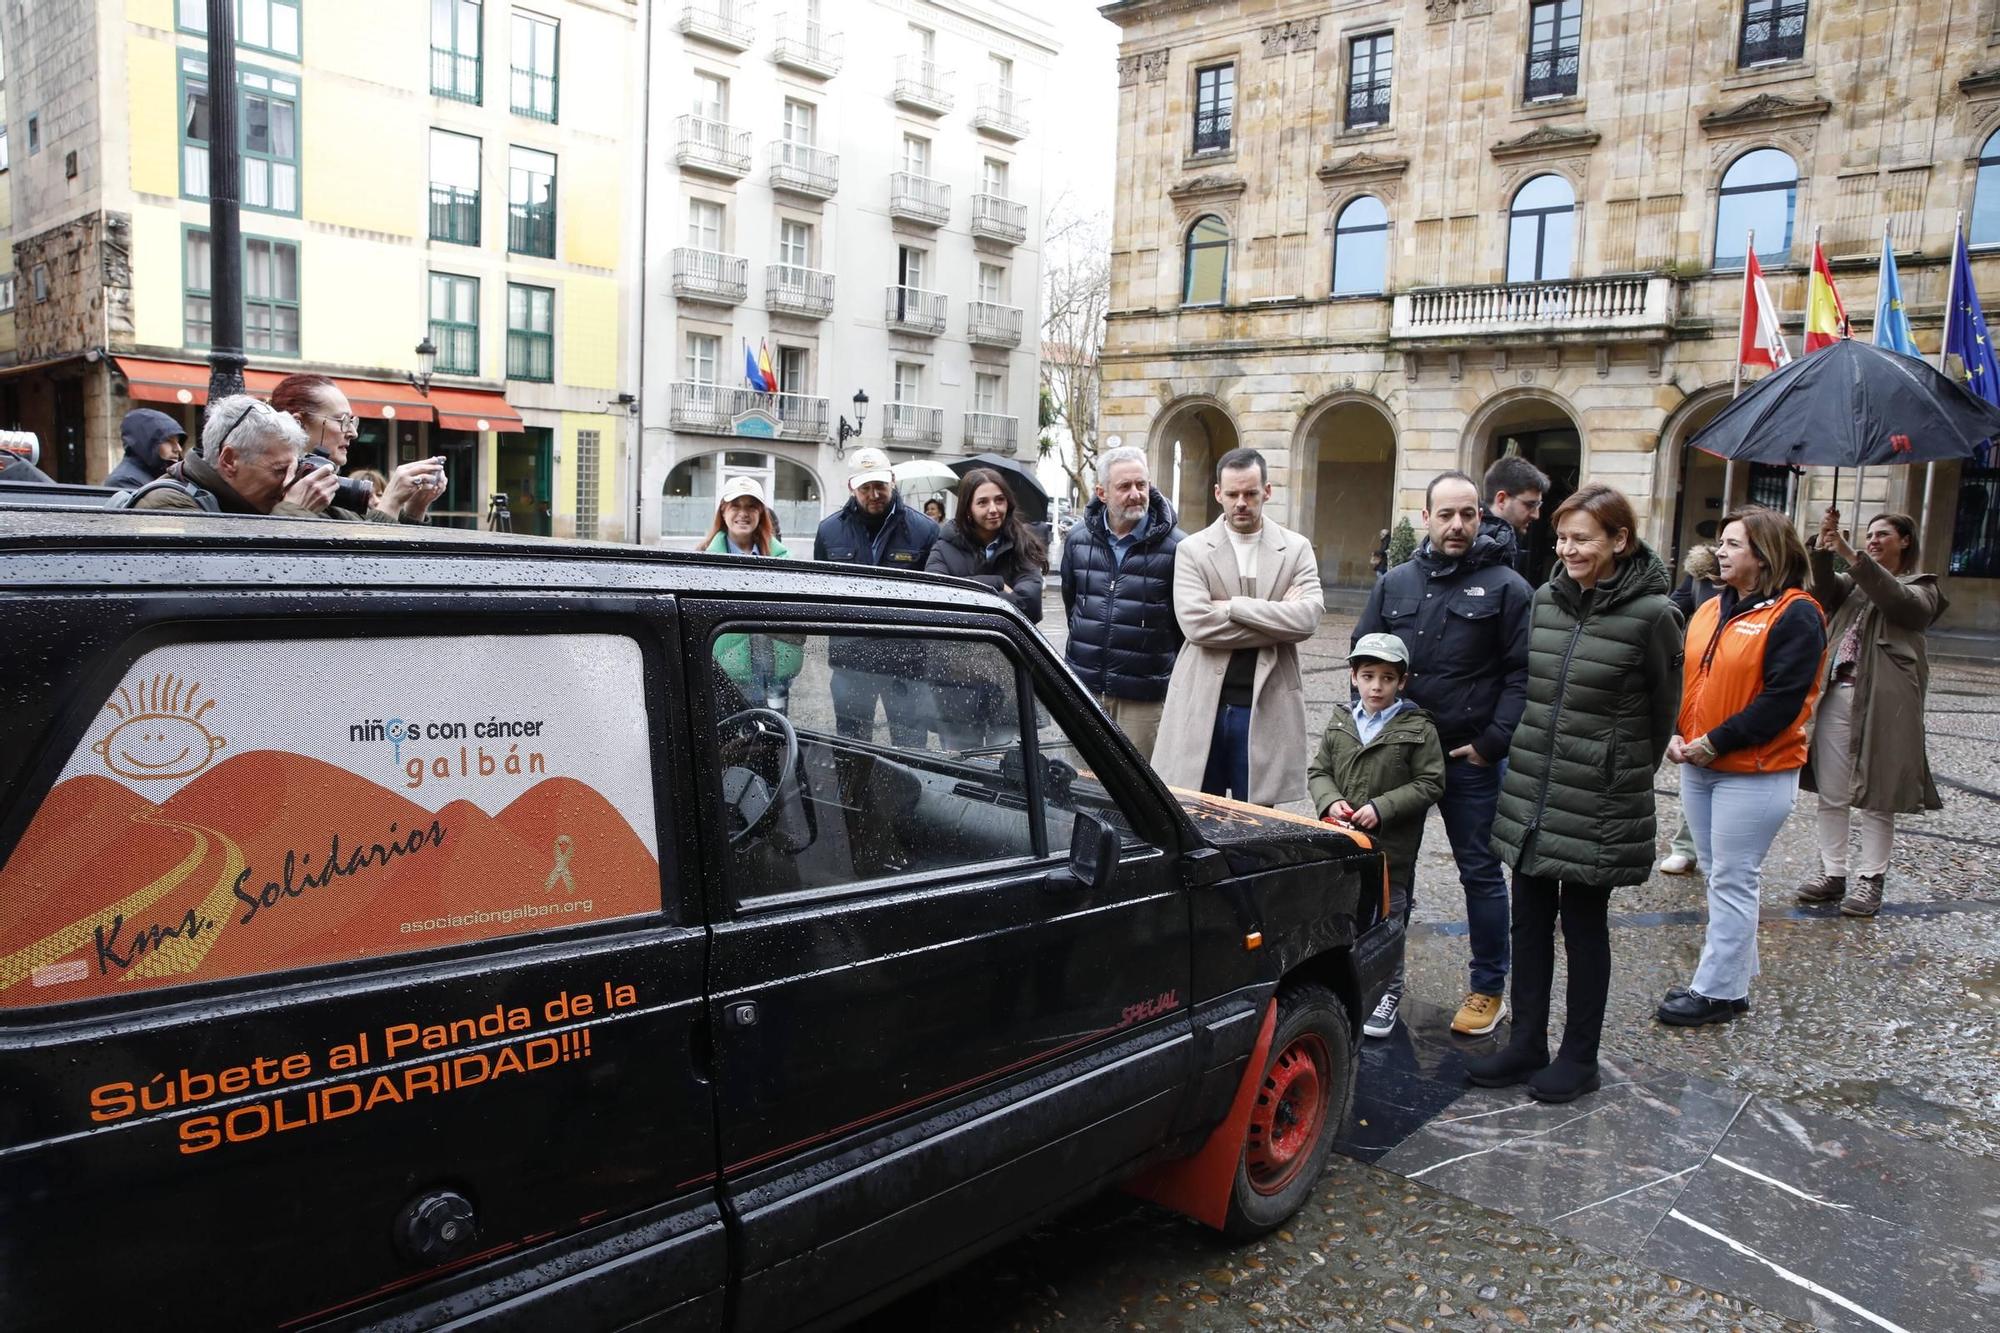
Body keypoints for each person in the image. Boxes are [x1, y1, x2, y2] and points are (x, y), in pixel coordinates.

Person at [1475, 484, 1682, 1101]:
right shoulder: (1545, 600)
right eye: (1562, 537)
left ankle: (1579, 1057)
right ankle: (1526, 1043)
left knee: (1585, 927)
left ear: (1620, 540)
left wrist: (1620, 775)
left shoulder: (1654, 615)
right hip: (1535, 786)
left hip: (1599, 794)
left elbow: (1660, 716)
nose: (1568, 549)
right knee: (1529, 920)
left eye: (1582, 538)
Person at [1355, 471, 1532, 1036]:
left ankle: (1488, 989)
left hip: (1467, 760)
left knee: (1479, 872)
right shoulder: (1395, 583)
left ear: (1482, 517)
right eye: (1447, 514)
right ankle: (1382, 981)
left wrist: (1491, 744)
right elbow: (1361, 657)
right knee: (1386, 872)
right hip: (1396, 761)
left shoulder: (1507, 587)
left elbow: (1524, 675)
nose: (1458, 525)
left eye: (1469, 514)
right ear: (1426, 517)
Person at [1660, 506, 1826, 1026]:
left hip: (1755, 770)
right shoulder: (1710, 607)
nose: (1720, 552)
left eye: (1733, 544)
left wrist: (1717, 740)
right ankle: (1732, 978)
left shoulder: (1796, 613)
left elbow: (1783, 700)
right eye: (1722, 543)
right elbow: (1687, 680)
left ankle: (1715, 992)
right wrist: (1677, 731)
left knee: (1733, 877)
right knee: (1719, 875)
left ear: (1765, 555)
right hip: (1699, 762)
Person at [1797, 509, 1946, 917]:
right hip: (1836, 694)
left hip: (1883, 702)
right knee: (1831, 791)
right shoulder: (1853, 585)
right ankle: (1833, 874)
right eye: (1869, 534)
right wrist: (1825, 549)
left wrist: (1852, 554)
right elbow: (1822, 590)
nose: (1875, 539)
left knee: (1878, 794)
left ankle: (1870, 880)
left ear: (1906, 541)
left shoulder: (1923, 587)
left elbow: (1899, 603)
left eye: (1883, 534)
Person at [1155, 447, 1323, 806]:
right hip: (1203, 703)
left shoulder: (1295, 549)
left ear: (1267, 491)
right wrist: (1279, 618)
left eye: (1250, 493)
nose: (1241, 503)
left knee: (1258, 820)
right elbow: (1198, 626)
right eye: (1232, 494)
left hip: (1267, 703)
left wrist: (1232, 607)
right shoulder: (1192, 550)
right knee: (1200, 813)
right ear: (1218, 493)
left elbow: (1308, 618)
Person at [1308, 632, 1445, 1039]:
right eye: (1368, 676)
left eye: (1387, 678)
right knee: (1344, 918)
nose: (1376, 686)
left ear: (1402, 682)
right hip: (1343, 845)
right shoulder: (1341, 722)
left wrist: (1383, 808)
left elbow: (1431, 782)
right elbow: (1319, 771)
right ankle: (1349, 982)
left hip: (1391, 852)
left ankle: (1389, 990)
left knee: (1388, 923)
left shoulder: (1418, 728)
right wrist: (1330, 801)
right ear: (1354, 677)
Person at [1058, 445, 1185, 759]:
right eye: (1124, 486)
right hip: (1084, 689)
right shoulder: (1077, 540)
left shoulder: (1178, 547)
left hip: (1143, 699)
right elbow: (1072, 605)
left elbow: (1182, 626)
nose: (1136, 494)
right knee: (1081, 782)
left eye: (1141, 485)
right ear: (1102, 493)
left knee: (1138, 791)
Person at [813, 446, 940, 743]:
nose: (874, 494)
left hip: (906, 663)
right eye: (865, 487)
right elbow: (820, 592)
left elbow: (933, 596)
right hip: (850, 661)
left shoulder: (925, 531)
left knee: (911, 747)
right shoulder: (829, 531)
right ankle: (855, 792)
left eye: (880, 485)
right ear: (851, 487)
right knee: (852, 747)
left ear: (892, 480)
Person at [925, 469, 1046, 750]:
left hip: (1007, 674)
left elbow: (1030, 605)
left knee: (1004, 765)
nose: (993, 509)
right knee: (960, 764)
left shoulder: (1022, 544)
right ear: (967, 508)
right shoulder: (944, 547)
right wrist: (998, 584)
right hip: (955, 678)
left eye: (999, 500)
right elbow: (938, 598)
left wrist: (969, 590)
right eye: (983, 502)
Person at [268, 374, 444, 523]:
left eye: (352, 422)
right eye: (342, 421)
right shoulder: (277, 495)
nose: (353, 433)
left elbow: (400, 559)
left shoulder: (331, 494)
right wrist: (391, 502)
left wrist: (415, 508)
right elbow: (365, 561)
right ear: (299, 423)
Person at [131, 395, 334, 516]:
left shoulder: (244, 500)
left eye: (294, 468)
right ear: (229, 461)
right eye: (280, 470)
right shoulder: (167, 506)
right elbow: (236, 577)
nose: (288, 484)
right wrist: (293, 512)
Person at [704, 475, 803, 711]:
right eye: (736, 505)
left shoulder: (782, 559)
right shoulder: (705, 559)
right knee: (736, 736)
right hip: (727, 671)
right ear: (723, 511)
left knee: (776, 733)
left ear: (761, 512)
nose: (743, 513)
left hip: (775, 669)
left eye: (751, 506)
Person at [1660, 543, 1722, 876]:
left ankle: (1712, 849)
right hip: (1698, 676)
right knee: (1693, 761)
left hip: (1732, 682)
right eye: (1724, 541)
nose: (1725, 549)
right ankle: (1686, 847)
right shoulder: (1700, 575)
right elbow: (1672, 608)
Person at [1481, 454, 1549, 580]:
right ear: (1501, 500)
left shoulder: (1508, 541)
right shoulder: (1469, 542)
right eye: (1530, 504)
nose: (1536, 515)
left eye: (1538, 505)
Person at [105, 409, 187, 491]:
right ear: (145, 443)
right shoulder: (124, 481)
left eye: (178, 441)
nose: (178, 449)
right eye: (168, 441)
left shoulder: (163, 475)